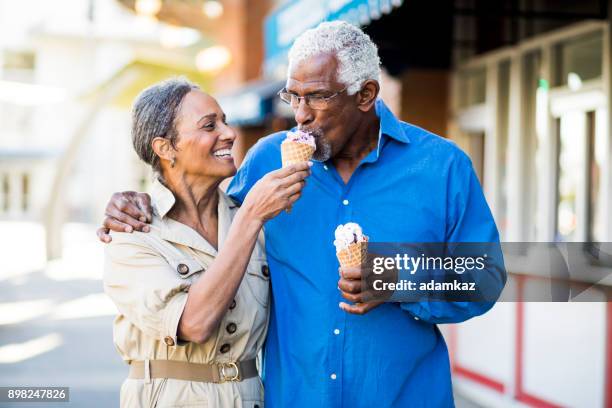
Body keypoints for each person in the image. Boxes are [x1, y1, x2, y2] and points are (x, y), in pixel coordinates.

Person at [99, 22, 506, 407]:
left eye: (317, 97)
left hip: (404, 397)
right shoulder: (265, 163)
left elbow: (486, 276)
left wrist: (398, 279)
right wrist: (136, 203)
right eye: (293, 96)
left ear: (365, 95)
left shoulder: (441, 166)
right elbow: (204, 219)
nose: (301, 114)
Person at [102, 78, 310, 407]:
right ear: (165, 148)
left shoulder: (249, 214)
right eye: (209, 125)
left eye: (225, 121)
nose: (229, 133)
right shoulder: (133, 233)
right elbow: (193, 324)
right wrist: (252, 218)